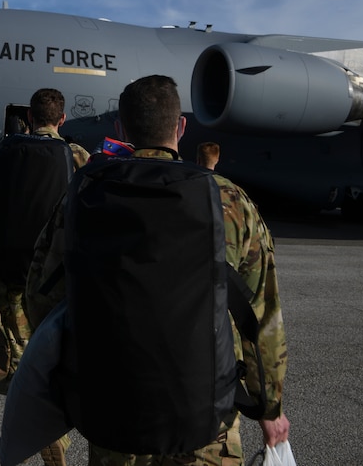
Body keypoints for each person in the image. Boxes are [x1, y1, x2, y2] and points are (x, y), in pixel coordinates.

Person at [26, 75, 289, 465]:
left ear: (121, 128)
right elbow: (263, 315)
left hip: (113, 407)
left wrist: (66, 373)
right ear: (180, 126)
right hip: (205, 412)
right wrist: (269, 407)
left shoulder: (83, 193)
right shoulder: (229, 199)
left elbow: (40, 295)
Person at [0, 88, 89, 466]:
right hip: (53, 278)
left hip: (5, 273)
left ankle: (17, 437)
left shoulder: (0, 154)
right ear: (62, 119)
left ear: (29, 118)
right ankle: (49, 437)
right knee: (52, 360)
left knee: (19, 359)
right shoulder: (76, 156)